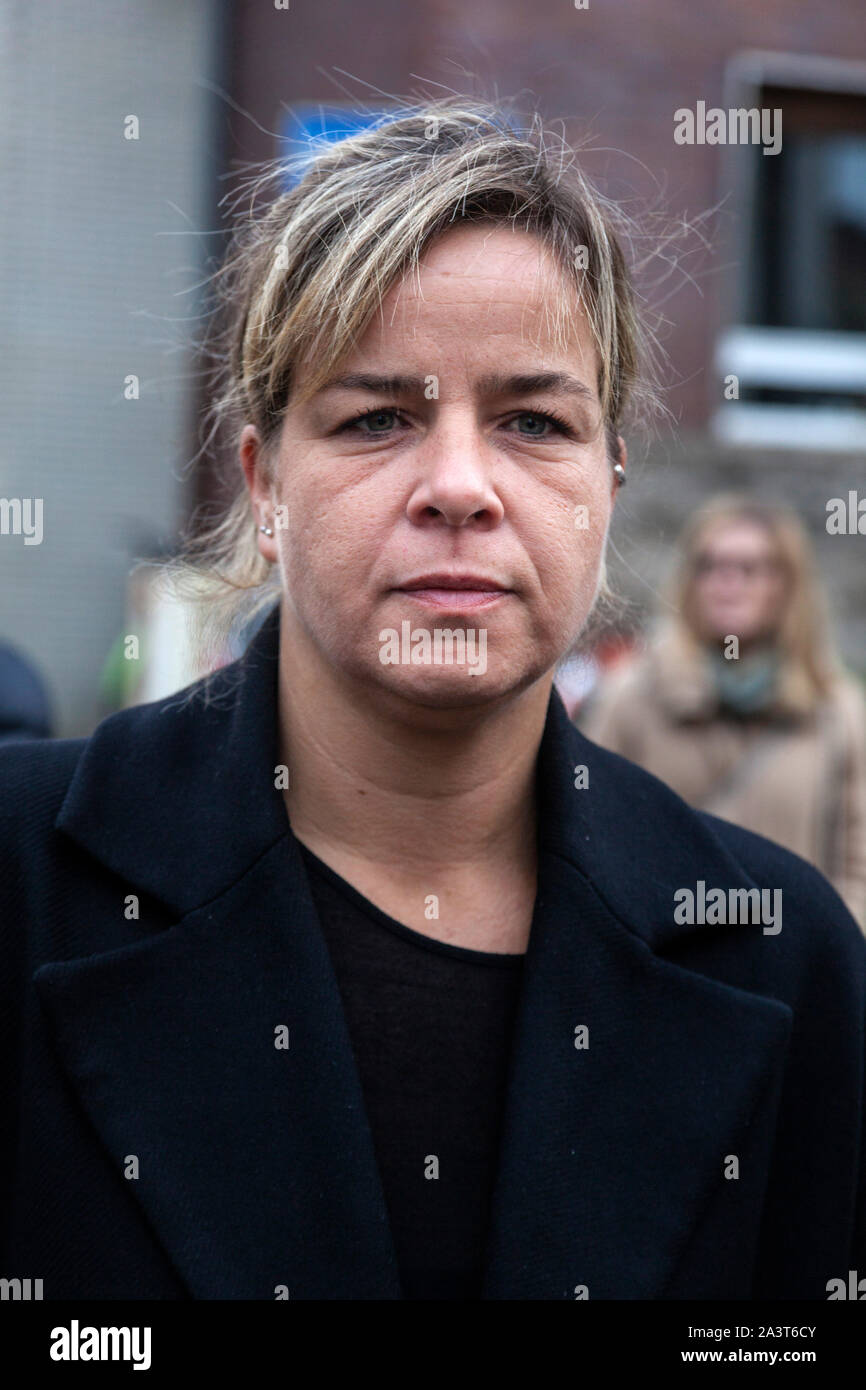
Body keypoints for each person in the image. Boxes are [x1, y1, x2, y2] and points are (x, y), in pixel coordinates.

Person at [1, 98, 864, 1303]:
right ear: (265, 484)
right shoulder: (24, 875)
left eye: (530, 420)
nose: (458, 485)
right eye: (376, 419)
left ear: (607, 482)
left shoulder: (782, 957)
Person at [579, 495, 866, 929]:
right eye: (710, 565)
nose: (727, 581)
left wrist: (827, 963)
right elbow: (590, 837)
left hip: (791, 971)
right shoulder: (631, 695)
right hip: (666, 968)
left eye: (749, 568)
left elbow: (856, 864)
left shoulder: (835, 710)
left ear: (787, 585)